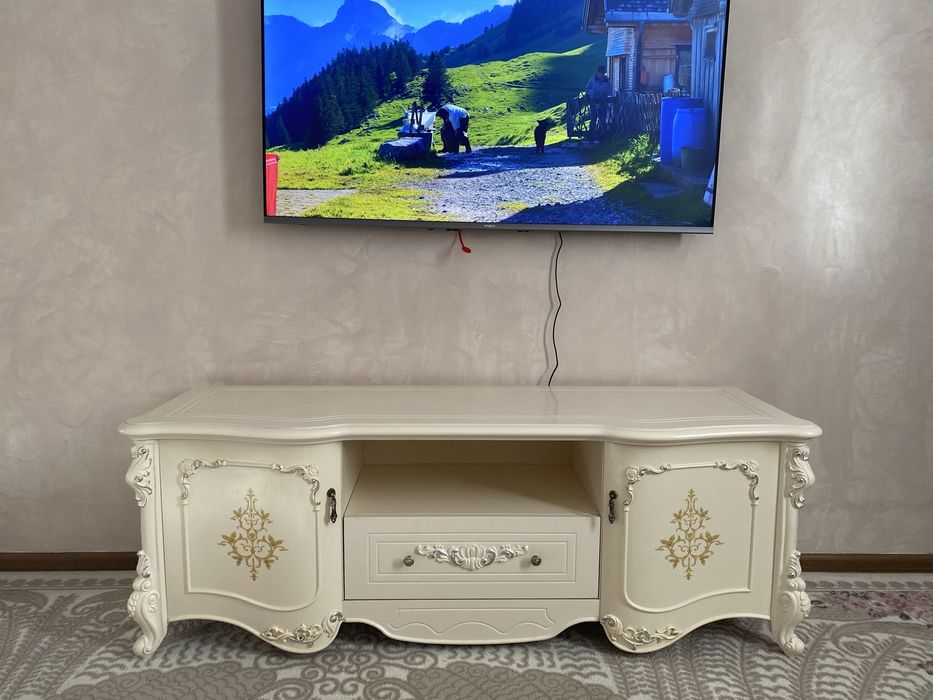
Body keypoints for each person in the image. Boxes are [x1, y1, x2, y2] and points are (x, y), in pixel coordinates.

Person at [584, 65, 612, 141]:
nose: (602, 75)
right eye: (600, 74)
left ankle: (601, 136)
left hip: (603, 103)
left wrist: (607, 92)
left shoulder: (607, 80)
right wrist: (591, 92)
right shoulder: (592, 79)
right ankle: (591, 136)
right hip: (594, 103)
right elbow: (587, 89)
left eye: (603, 74)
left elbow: (610, 90)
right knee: (593, 119)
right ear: (597, 72)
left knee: (602, 119)